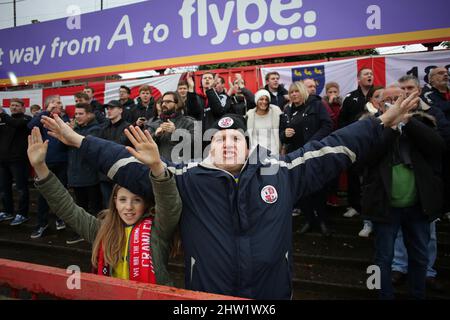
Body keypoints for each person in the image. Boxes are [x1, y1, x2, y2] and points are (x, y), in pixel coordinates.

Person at [39, 91, 419, 299]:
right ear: (207, 146)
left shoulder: (282, 173)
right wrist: (76, 139)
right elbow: (126, 165)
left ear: (248, 143)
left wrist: (380, 122)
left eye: (235, 137)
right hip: (207, 301)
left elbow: (333, 147)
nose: (227, 143)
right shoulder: (185, 178)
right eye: (219, 139)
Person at [27, 126, 181, 285]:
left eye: (136, 200)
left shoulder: (159, 230)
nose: (128, 207)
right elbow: (66, 208)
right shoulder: (100, 229)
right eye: (122, 200)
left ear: (146, 203)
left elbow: (169, 204)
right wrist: (40, 167)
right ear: (114, 201)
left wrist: (157, 167)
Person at [358, 88, 445, 299]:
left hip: (418, 205)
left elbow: (439, 147)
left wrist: (407, 121)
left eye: (397, 99)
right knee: (382, 258)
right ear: (378, 104)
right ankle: (380, 294)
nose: (392, 103)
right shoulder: (368, 126)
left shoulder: (422, 122)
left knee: (420, 256)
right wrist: (392, 125)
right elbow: (367, 157)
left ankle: (418, 294)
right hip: (384, 205)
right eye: (387, 100)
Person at [280, 81, 333, 235]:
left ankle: (322, 221)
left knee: (319, 188)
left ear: (303, 91)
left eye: (297, 91)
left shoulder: (317, 105)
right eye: (291, 92)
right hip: (296, 156)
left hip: (315, 153)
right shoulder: (287, 110)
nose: (294, 94)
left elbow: (327, 125)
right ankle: (309, 220)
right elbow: (281, 132)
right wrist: (285, 135)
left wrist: (311, 144)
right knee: (302, 190)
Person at [28, 95, 69, 238]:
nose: (59, 104)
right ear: (48, 104)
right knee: (43, 195)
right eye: (55, 102)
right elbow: (30, 126)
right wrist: (45, 112)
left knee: (61, 193)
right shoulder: (42, 118)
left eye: (60, 102)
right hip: (44, 164)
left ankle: (61, 218)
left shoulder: (65, 118)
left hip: (62, 162)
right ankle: (42, 224)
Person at [339, 68, 374, 219]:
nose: (369, 76)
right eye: (366, 74)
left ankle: (372, 208)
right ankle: (354, 205)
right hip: (354, 143)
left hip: (374, 142)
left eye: (371, 74)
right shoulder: (350, 97)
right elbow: (342, 120)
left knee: (372, 175)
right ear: (359, 79)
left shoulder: (379, 94)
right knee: (353, 174)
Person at [66, 103, 102, 244]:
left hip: (91, 176)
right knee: (80, 208)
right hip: (75, 176)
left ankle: (97, 235)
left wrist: (70, 132)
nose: (78, 117)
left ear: (89, 114)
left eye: (81, 114)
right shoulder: (75, 129)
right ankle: (83, 233)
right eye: (76, 114)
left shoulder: (96, 129)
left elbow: (83, 143)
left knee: (94, 208)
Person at [0, 99, 31, 225]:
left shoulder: (26, 119)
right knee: (4, 188)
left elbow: (16, 124)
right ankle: (8, 211)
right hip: (3, 161)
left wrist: (2, 113)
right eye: (12, 105)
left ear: (23, 108)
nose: (14, 107)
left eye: (17, 106)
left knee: (21, 188)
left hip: (19, 161)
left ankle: (22, 214)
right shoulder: (4, 120)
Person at [96, 100, 131, 209]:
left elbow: (123, 147)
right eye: (108, 109)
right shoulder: (103, 128)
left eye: (112, 108)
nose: (109, 111)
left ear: (120, 110)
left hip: (122, 173)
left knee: (122, 205)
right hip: (105, 173)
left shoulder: (128, 127)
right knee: (108, 205)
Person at [147, 91, 195, 163]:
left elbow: (196, 143)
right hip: (160, 167)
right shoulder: (154, 123)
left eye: (168, 102)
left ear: (177, 104)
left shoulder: (189, 122)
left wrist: (176, 132)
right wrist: (155, 135)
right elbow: (145, 145)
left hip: (182, 166)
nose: (163, 104)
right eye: (162, 102)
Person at [246, 89, 282, 155]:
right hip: (255, 153)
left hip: (273, 152)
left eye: (266, 100)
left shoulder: (275, 112)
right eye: (261, 99)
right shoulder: (250, 115)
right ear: (256, 101)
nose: (264, 102)